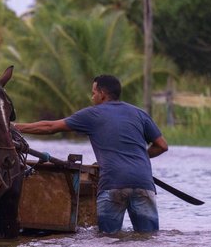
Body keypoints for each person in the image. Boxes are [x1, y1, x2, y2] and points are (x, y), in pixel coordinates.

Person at [13, 75, 168, 233]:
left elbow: (50, 127)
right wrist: (137, 159)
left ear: (102, 94)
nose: (92, 97)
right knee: (148, 238)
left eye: (93, 93)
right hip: (143, 183)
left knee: (108, 240)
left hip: (112, 183)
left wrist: (14, 127)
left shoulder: (92, 114)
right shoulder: (139, 114)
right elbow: (162, 146)